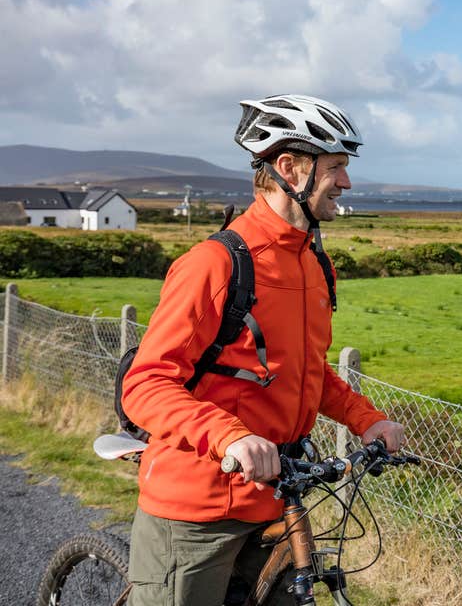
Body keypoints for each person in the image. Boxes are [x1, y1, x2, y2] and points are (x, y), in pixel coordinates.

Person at [121, 94, 405, 606]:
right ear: (289, 168)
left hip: (277, 500)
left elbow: (305, 372)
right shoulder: (215, 264)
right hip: (196, 510)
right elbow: (145, 384)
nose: (346, 182)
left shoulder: (315, 266)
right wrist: (230, 438)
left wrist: (368, 420)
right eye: (336, 167)